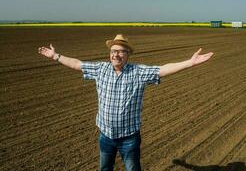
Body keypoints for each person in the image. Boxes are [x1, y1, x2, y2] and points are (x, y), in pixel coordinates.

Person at [38, 34, 214, 171]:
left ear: (127, 54)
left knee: (132, 169)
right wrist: (56, 56)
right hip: (105, 135)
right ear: (110, 54)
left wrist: (190, 63)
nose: (116, 54)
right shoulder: (101, 69)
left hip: (129, 138)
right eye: (113, 51)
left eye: (121, 51)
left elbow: (162, 69)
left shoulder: (138, 72)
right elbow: (77, 64)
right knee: (105, 168)